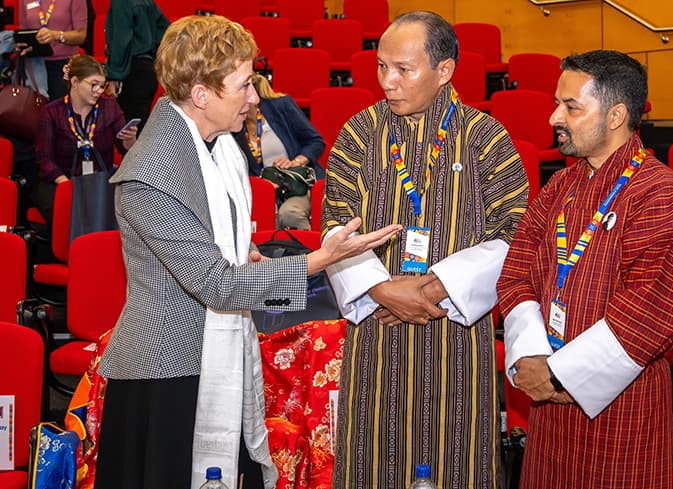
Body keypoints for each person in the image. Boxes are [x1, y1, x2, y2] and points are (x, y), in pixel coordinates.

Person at [93, 15, 401, 489]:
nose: (255, 98)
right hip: (166, 374)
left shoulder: (216, 148)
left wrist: (248, 254)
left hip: (214, 357)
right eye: (244, 85)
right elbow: (217, 283)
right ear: (201, 94)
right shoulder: (150, 172)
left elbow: (220, 257)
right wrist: (322, 258)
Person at [496, 50, 673, 488]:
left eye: (571, 106)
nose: (553, 117)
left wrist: (557, 375)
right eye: (557, 102)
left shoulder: (663, 195)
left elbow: (650, 312)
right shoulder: (561, 185)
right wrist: (530, 355)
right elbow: (516, 269)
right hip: (548, 406)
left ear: (616, 115)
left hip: (622, 406)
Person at [322, 11, 529, 488]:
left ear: (444, 71)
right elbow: (337, 225)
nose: (387, 82)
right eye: (380, 67)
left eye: (403, 69)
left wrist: (436, 288)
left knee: (458, 462)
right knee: (373, 460)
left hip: (457, 334)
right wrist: (382, 289)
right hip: (376, 331)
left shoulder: (486, 138)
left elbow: (514, 232)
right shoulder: (358, 134)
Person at [33, 53, 136, 224]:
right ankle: (71, 250)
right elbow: (44, 158)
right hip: (63, 180)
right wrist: (65, 184)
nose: (99, 91)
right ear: (75, 82)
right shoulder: (52, 112)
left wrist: (130, 139)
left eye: (102, 86)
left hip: (100, 181)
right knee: (66, 209)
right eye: (93, 85)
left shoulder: (109, 107)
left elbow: (125, 149)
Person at [232, 73, 326, 230]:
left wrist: (295, 162)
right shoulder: (234, 126)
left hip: (298, 184)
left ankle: (312, 252)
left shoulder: (280, 106)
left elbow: (316, 141)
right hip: (266, 191)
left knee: (290, 214)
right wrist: (262, 183)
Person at [102, 0, 168, 130]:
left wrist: (113, 75)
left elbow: (121, 42)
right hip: (148, 70)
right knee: (139, 130)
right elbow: (165, 30)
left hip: (130, 71)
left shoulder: (121, 3)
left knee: (128, 135)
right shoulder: (147, 2)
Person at [18, 0, 87, 100]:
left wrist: (57, 35)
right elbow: (23, 31)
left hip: (62, 65)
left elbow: (81, 36)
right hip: (34, 64)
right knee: (34, 112)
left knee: (58, 111)